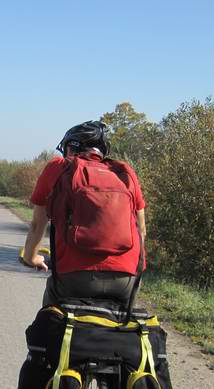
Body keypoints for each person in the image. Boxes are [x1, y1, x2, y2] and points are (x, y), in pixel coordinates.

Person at [22, 120, 147, 307]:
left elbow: (37, 225)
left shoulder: (59, 167)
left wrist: (30, 258)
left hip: (74, 276)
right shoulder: (125, 172)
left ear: (71, 148)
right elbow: (141, 230)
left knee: (50, 323)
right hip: (127, 277)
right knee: (125, 323)